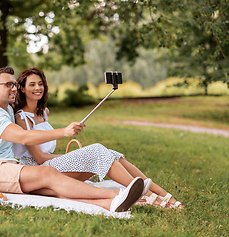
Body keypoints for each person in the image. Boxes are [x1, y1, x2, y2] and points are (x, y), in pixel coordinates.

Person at [0, 66, 145, 213]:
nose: (13, 88)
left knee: (50, 188)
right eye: (8, 84)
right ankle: (117, 194)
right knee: (48, 173)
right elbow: (23, 136)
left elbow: (28, 104)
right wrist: (64, 132)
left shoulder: (6, 108)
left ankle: (110, 204)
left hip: (10, 166)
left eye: (14, 84)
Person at [12, 67, 183, 209]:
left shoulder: (44, 112)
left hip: (51, 164)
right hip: (37, 169)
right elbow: (40, 157)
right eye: (32, 84)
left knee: (110, 153)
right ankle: (151, 197)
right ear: (22, 88)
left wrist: (76, 157)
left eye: (40, 84)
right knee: (96, 150)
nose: (37, 88)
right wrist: (75, 157)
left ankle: (165, 195)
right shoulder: (21, 117)